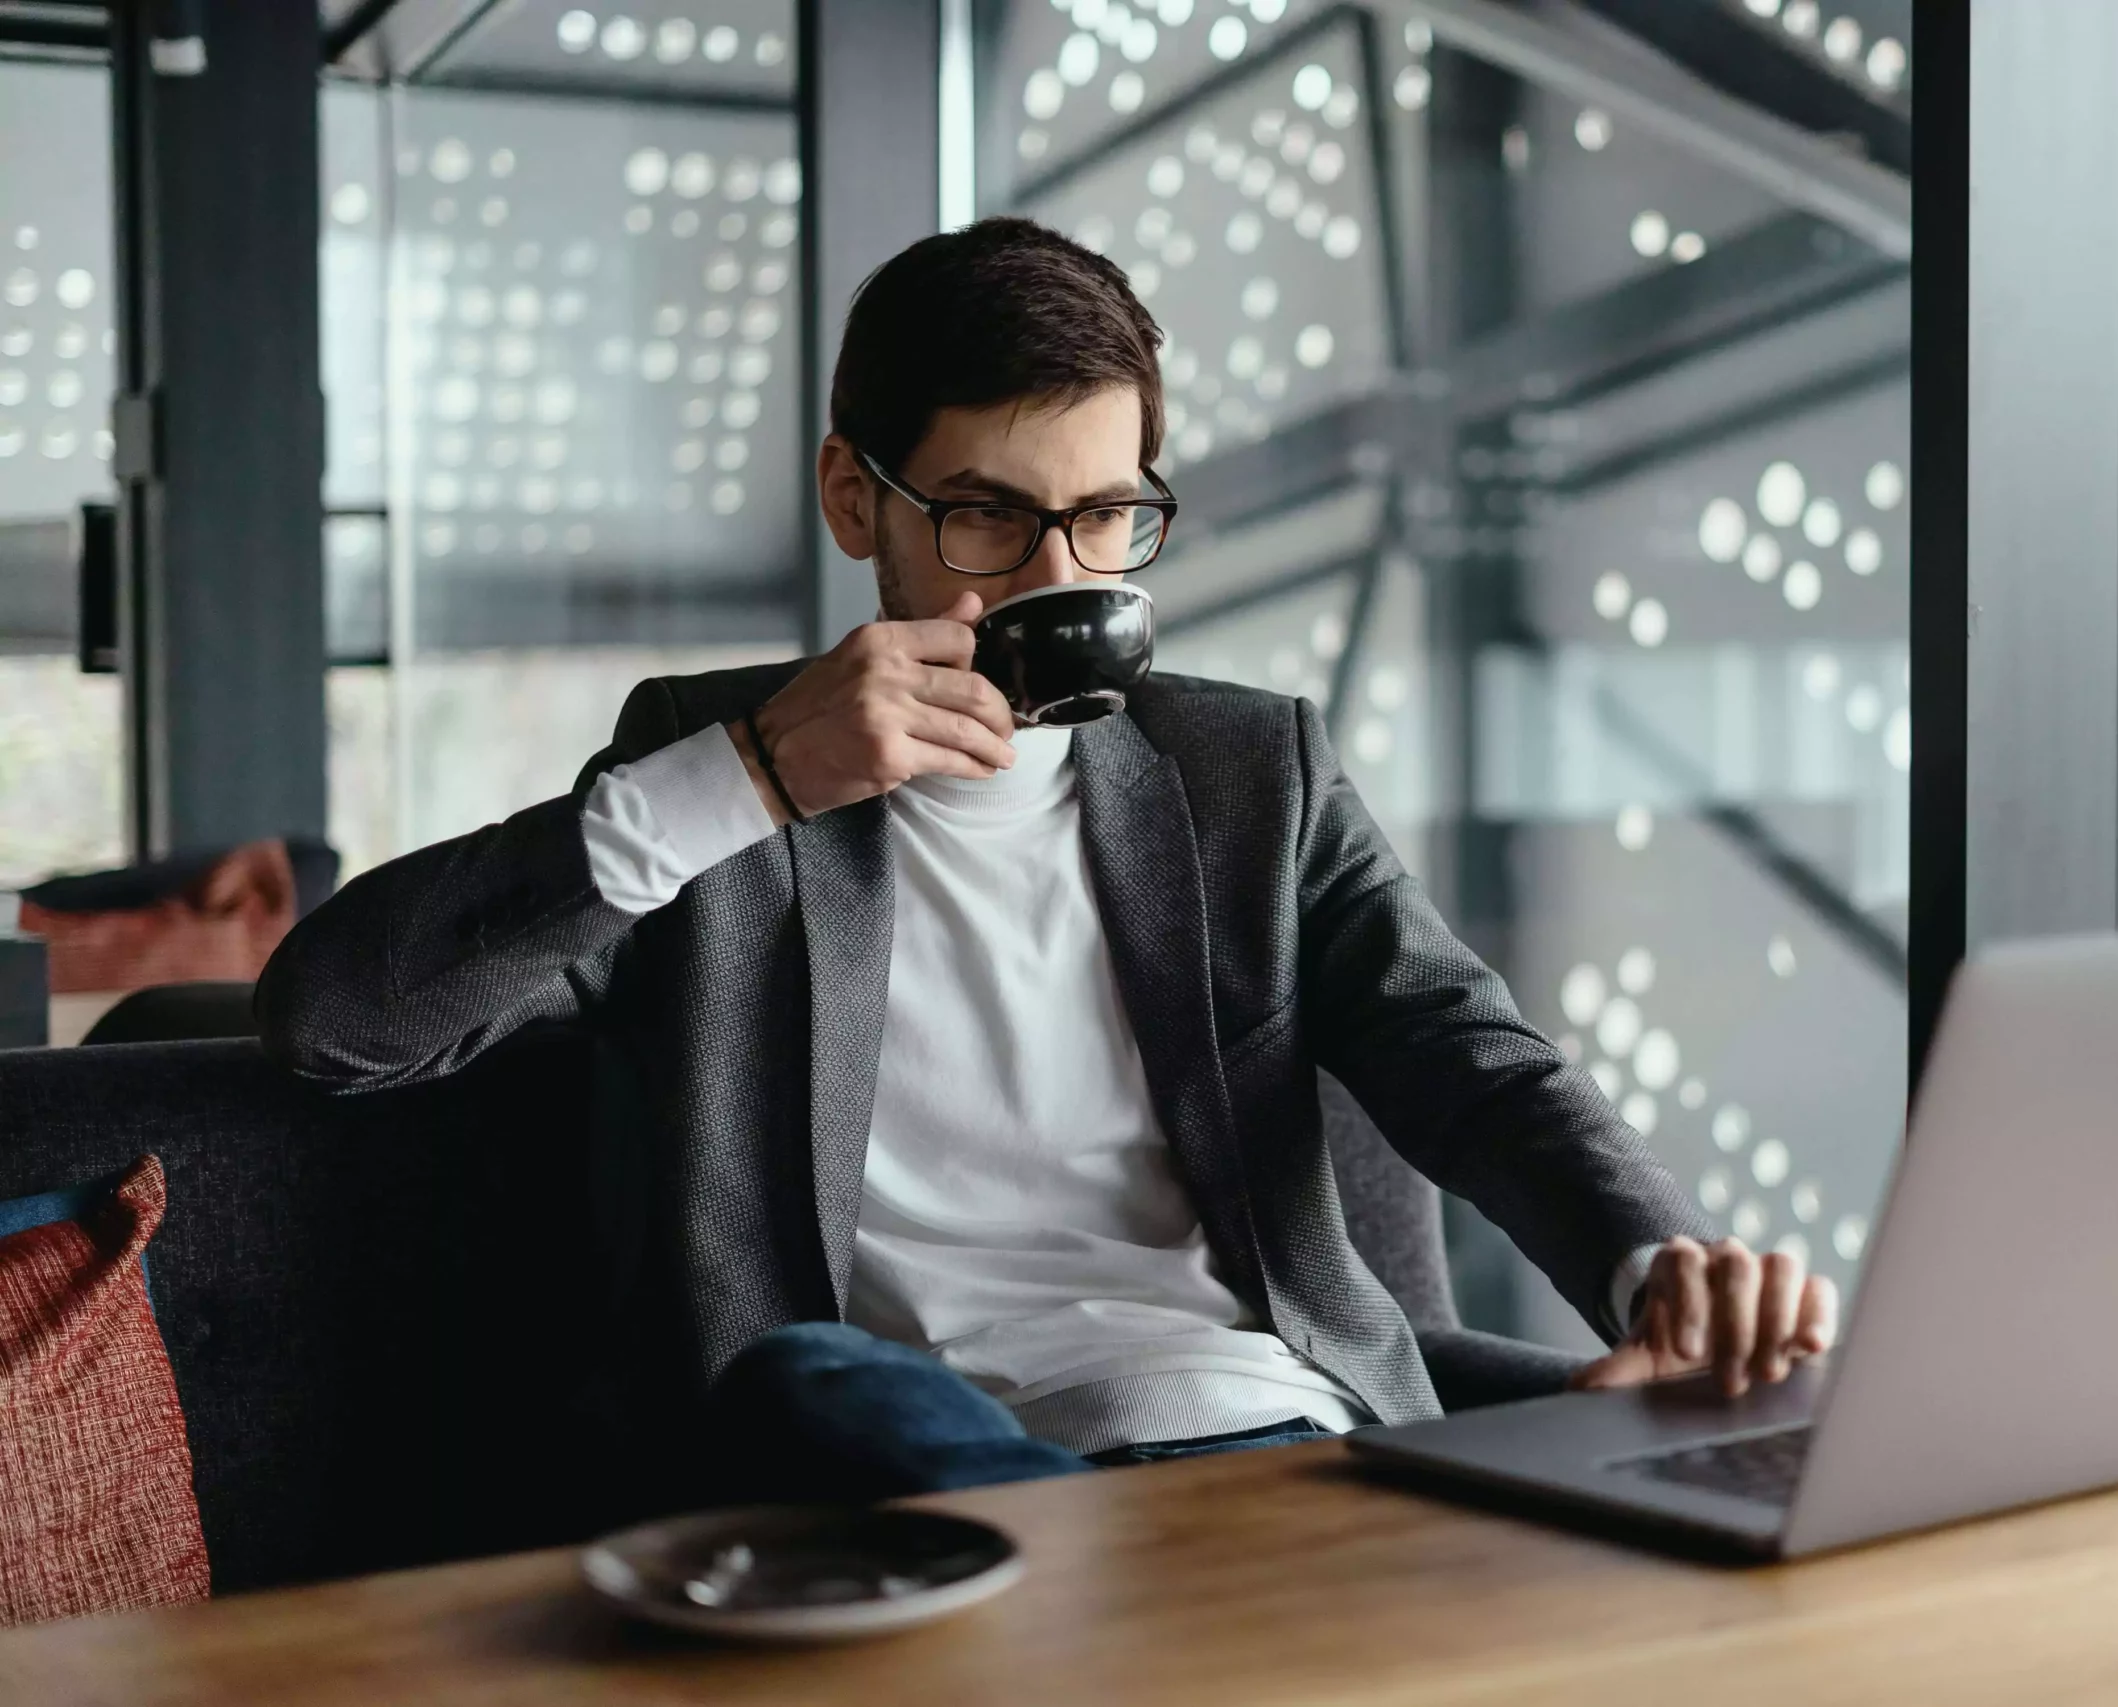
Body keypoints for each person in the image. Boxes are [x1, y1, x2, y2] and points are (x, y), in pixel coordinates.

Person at [256, 216, 1835, 1502]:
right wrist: (749, 778)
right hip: (880, 1443)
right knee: (813, 1383)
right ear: (850, 495)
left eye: (1104, 518)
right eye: (988, 519)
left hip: (1263, 1428)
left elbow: (1467, 1055)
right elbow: (336, 1021)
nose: (1056, 578)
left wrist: (1655, 1268)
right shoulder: (711, 766)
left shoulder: (1249, 772)